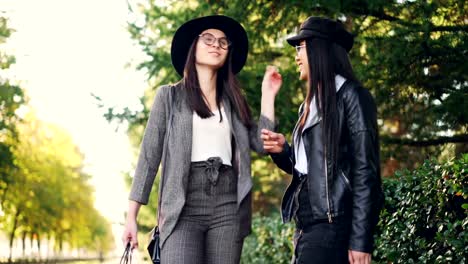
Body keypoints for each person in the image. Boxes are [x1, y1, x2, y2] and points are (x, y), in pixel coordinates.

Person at [121, 15, 282, 264]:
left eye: (222, 42)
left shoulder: (233, 103)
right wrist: (131, 216)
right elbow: (149, 157)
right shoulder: (169, 97)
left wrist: (267, 95)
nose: (216, 45)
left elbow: (261, 144)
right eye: (208, 39)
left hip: (227, 204)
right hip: (182, 205)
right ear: (192, 47)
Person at [261, 17, 383, 264]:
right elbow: (311, 169)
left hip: (333, 225)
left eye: (300, 48)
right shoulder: (308, 107)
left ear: (320, 50)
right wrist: (283, 151)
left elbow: (365, 173)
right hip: (305, 224)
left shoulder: (352, 96)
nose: (296, 57)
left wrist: (361, 241)